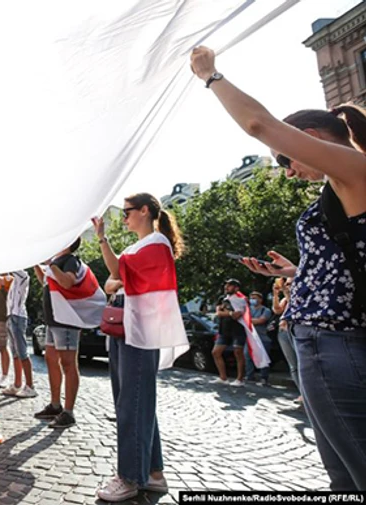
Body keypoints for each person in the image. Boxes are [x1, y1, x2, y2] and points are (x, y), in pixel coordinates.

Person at [192, 46, 365, 489]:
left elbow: (259, 124)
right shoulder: (341, 183)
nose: (287, 172)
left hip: (335, 342)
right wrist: (293, 273)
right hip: (323, 341)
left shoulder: (355, 169)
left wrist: (211, 76)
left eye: (285, 158)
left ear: (309, 136)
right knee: (342, 477)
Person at [91, 193, 188, 501]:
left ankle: (130, 477)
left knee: (131, 404)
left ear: (145, 211)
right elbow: (114, 276)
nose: (125, 217)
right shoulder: (141, 246)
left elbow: (118, 275)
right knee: (135, 401)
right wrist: (106, 249)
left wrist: (113, 274)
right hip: (128, 329)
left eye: (128, 212)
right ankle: (154, 474)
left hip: (139, 332)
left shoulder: (157, 243)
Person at [33, 237, 104, 427]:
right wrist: (37, 265)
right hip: (53, 321)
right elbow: (45, 282)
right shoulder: (56, 264)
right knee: (51, 359)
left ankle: (68, 411)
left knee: (68, 363)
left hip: (65, 321)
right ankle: (55, 405)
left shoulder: (70, 260)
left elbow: (67, 282)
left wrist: (50, 265)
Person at [213, 279, 248, 387]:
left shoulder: (241, 300)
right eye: (226, 285)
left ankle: (240, 379)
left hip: (238, 330)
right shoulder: (222, 299)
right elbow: (218, 313)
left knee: (238, 352)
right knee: (216, 352)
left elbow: (237, 315)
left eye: (229, 285)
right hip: (224, 329)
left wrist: (226, 312)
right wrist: (230, 313)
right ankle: (223, 377)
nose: (226, 287)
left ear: (236, 288)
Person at [272, 278, 301, 403]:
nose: (287, 286)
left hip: (295, 332)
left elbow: (292, 301)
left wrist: (286, 291)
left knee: (302, 364)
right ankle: (302, 392)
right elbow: (277, 309)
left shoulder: (300, 296)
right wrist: (275, 295)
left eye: (290, 283)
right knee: (293, 366)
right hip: (283, 332)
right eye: (287, 284)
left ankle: (308, 393)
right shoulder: (285, 298)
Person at [6, 269, 33, 395]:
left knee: (22, 352)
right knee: (15, 354)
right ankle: (17, 384)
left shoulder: (23, 276)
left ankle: (30, 386)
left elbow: (13, 268)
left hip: (18, 316)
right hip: (11, 316)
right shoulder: (14, 281)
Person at [245, 291, 273, 386]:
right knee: (247, 356)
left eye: (255, 298)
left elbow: (261, 320)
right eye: (251, 297)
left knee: (263, 357)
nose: (252, 300)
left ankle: (264, 378)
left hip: (262, 337)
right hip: (250, 336)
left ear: (260, 299)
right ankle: (249, 376)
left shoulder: (266, 310)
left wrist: (248, 320)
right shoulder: (248, 309)